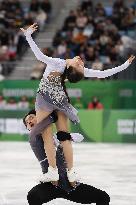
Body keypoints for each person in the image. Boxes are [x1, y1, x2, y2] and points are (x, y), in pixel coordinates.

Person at [20, 23, 135, 184]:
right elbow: (102, 74)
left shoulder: (58, 63)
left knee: (51, 134)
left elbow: (40, 56)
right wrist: (124, 65)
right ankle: (68, 171)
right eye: (81, 65)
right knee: (57, 135)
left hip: (46, 99)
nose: (81, 63)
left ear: (71, 68)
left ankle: (57, 171)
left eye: (80, 65)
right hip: (57, 101)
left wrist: (28, 36)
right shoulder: (68, 67)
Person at [23, 109, 110, 205]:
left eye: (31, 118)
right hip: (52, 184)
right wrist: (53, 114)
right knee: (33, 196)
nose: (29, 121)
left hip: (69, 185)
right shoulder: (33, 138)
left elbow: (80, 137)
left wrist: (67, 136)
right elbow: (41, 125)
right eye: (27, 122)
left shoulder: (55, 139)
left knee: (103, 197)